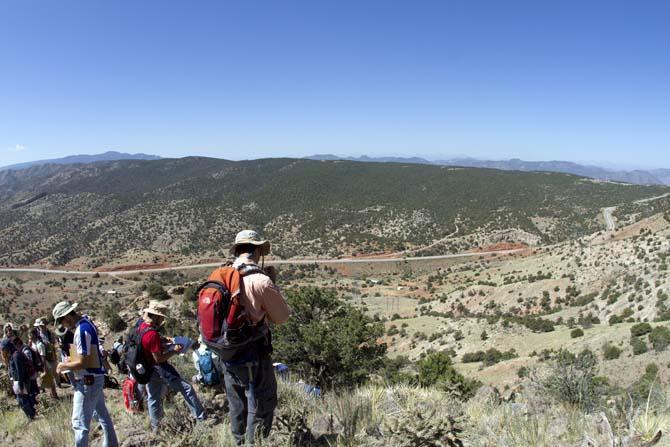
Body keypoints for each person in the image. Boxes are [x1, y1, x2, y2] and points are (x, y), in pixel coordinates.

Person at [211, 230, 291, 445]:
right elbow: (281, 317)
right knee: (262, 401)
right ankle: (255, 443)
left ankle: (239, 442)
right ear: (256, 250)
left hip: (226, 351)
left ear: (237, 250)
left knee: (237, 404)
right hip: (253, 352)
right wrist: (272, 284)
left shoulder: (221, 275)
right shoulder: (260, 280)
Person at [53, 300, 118, 447]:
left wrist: (63, 365)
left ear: (67, 317)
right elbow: (87, 357)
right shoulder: (87, 324)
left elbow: (83, 363)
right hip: (95, 379)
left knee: (79, 425)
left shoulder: (81, 331)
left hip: (88, 381)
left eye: (62, 322)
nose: (63, 326)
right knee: (103, 417)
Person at [138, 300, 206, 432]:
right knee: (187, 389)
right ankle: (201, 418)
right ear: (156, 316)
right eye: (161, 317)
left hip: (147, 369)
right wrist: (174, 350)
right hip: (159, 369)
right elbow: (158, 359)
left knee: (153, 397)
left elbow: (149, 346)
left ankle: (156, 428)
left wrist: (163, 340)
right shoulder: (151, 334)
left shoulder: (142, 327)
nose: (162, 320)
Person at [1, 339, 36, 420]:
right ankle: (32, 414)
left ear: (7, 347)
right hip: (19, 381)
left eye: (3, 349)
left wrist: (20, 384)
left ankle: (31, 416)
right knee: (24, 398)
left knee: (21, 399)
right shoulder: (13, 355)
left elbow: (20, 370)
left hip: (21, 381)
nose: (3, 351)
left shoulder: (16, 356)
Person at [29, 328, 58, 399]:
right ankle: (51, 396)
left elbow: (43, 357)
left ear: (34, 335)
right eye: (28, 334)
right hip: (39, 366)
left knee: (50, 382)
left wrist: (45, 369)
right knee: (45, 382)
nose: (29, 336)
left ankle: (55, 396)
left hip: (44, 366)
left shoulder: (40, 345)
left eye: (30, 334)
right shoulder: (32, 344)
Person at [12, 336, 40, 404]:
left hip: (30, 376)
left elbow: (29, 363)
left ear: (17, 344)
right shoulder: (21, 351)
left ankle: (37, 408)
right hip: (30, 375)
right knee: (32, 393)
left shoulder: (25, 351)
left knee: (32, 394)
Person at [35, 318, 60, 387]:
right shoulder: (37, 335)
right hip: (42, 356)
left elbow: (53, 343)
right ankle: (50, 386)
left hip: (51, 354)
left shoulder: (50, 333)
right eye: (41, 325)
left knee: (55, 370)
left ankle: (58, 384)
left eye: (43, 325)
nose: (42, 327)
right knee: (47, 372)